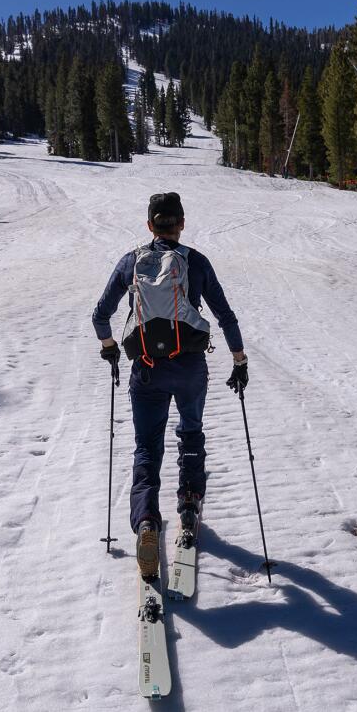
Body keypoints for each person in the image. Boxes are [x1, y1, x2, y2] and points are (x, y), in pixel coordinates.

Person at [91, 191, 247, 579]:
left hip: (146, 368)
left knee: (147, 446)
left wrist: (110, 347)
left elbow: (100, 314)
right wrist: (239, 359)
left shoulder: (132, 261)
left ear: (149, 226)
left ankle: (146, 520)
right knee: (190, 433)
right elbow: (225, 315)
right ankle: (189, 506)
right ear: (180, 224)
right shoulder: (194, 261)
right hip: (190, 366)